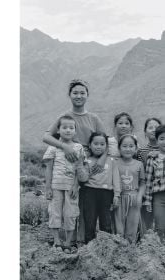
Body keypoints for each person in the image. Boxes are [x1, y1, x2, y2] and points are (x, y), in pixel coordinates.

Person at [43, 79, 106, 243]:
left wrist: (101, 160)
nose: (79, 96)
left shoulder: (94, 118)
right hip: (66, 161)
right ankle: (64, 240)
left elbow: (107, 141)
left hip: (86, 164)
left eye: (82, 93)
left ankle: (81, 240)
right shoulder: (65, 117)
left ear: (87, 95)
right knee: (65, 202)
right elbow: (46, 136)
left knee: (83, 203)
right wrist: (66, 147)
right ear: (69, 95)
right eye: (75, 93)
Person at [43, 115, 84, 253]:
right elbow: (48, 168)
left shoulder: (78, 148)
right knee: (55, 213)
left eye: (71, 128)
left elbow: (79, 168)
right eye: (64, 127)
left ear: (75, 131)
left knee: (70, 214)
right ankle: (56, 242)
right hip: (55, 187)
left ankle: (67, 243)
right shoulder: (53, 147)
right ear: (58, 130)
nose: (68, 130)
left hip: (71, 188)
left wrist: (75, 186)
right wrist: (48, 187)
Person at [77, 132, 121, 243]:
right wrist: (80, 164)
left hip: (106, 194)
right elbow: (83, 178)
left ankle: (106, 246)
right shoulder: (87, 160)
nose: (99, 146)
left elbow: (116, 179)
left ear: (106, 146)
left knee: (106, 221)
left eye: (102, 144)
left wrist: (117, 195)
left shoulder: (111, 161)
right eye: (95, 144)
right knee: (90, 220)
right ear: (90, 145)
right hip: (89, 192)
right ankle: (89, 248)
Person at [115, 134, 145, 243]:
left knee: (133, 224)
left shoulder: (139, 164)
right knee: (118, 225)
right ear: (119, 148)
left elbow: (142, 182)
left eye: (131, 146)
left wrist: (140, 196)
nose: (128, 149)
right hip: (119, 198)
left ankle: (131, 248)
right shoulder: (115, 163)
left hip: (134, 198)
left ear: (136, 148)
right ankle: (119, 247)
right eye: (124, 146)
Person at [136, 118, 162, 234]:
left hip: (160, 190)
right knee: (147, 220)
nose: (153, 130)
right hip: (146, 189)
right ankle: (146, 243)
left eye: (156, 127)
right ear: (145, 131)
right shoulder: (141, 151)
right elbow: (139, 173)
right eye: (150, 127)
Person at [144, 125, 165, 241]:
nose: (164, 142)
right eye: (162, 139)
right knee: (160, 227)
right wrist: (147, 200)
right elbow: (148, 180)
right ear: (157, 141)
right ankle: (161, 253)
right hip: (158, 197)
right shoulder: (152, 158)